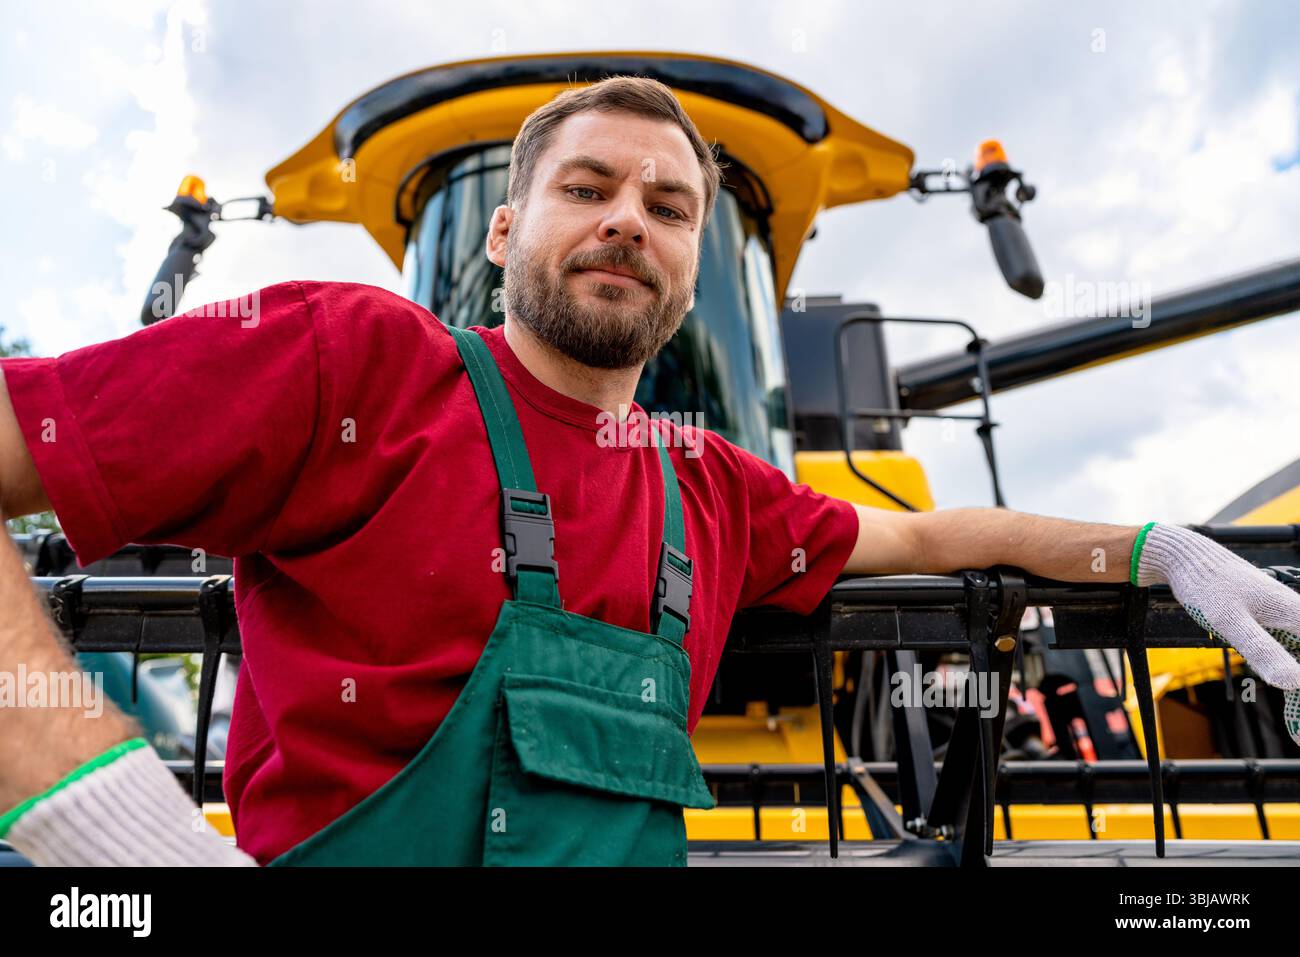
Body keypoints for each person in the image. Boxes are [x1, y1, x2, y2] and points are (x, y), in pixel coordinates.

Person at [1, 76, 1297, 867]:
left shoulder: (711, 485)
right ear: (505, 229)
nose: (631, 216)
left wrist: (1150, 548)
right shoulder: (348, 360)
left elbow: (938, 535)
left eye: (675, 207)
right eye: (588, 186)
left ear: (692, 273)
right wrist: (97, 810)